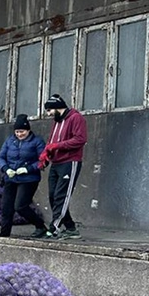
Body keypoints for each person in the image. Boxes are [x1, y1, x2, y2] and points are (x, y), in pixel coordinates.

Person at [40, 94, 88, 239]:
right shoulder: (57, 121)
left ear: (57, 107)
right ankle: (71, 228)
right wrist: (46, 156)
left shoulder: (76, 118)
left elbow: (80, 139)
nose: (48, 114)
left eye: (49, 110)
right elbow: (51, 141)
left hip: (70, 162)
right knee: (53, 196)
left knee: (62, 196)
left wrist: (57, 146)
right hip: (56, 162)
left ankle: (54, 228)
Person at [0, 114, 49, 239]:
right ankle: (3, 236)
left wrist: (28, 169)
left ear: (28, 130)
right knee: (6, 208)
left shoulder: (37, 141)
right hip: (11, 178)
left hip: (29, 179)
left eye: (22, 131)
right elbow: (1, 157)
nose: (19, 134)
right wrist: (6, 168)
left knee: (20, 206)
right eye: (17, 132)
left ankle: (40, 226)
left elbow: (44, 160)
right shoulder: (10, 141)